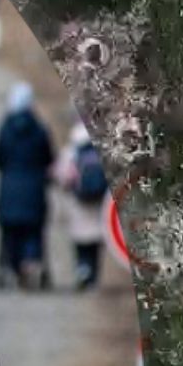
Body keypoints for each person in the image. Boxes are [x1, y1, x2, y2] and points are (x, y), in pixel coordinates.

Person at [0, 83, 55, 291]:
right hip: (34, 190)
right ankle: (32, 262)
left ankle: (15, 267)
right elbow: (49, 157)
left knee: (10, 234)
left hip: (9, 190)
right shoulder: (39, 129)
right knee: (33, 232)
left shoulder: (5, 128)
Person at [52, 121, 110, 291]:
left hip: (78, 206)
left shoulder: (71, 152)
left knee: (80, 244)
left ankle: (82, 269)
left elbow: (62, 177)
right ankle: (93, 277)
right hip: (98, 207)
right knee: (95, 245)